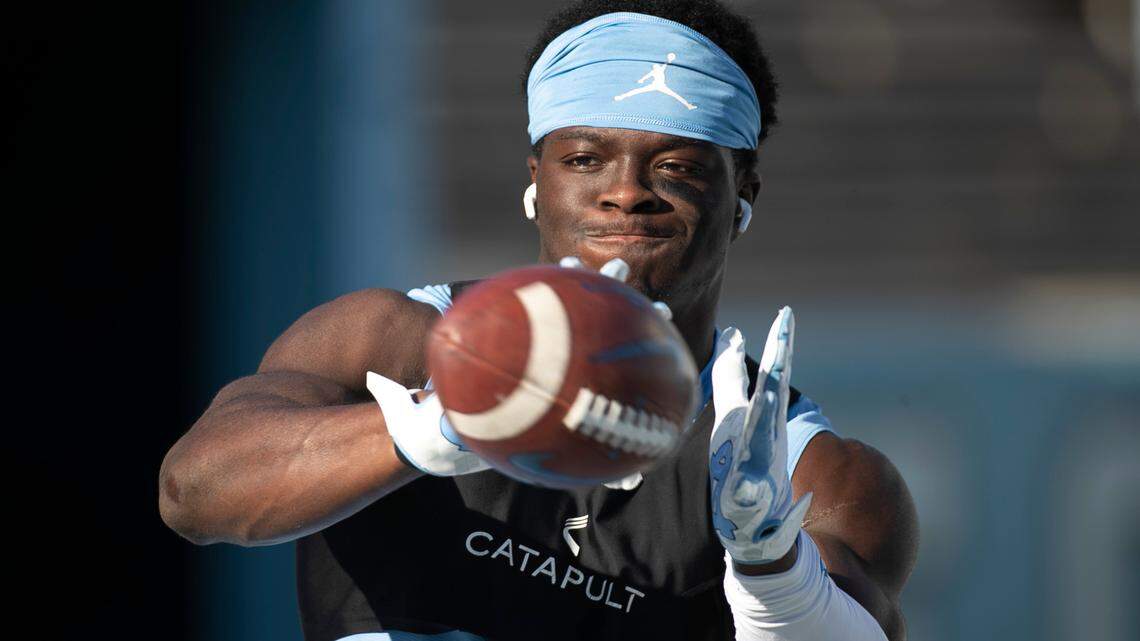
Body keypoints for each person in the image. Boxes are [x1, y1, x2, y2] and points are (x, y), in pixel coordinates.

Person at [159, 1, 918, 640]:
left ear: (743, 192)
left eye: (678, 167)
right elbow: (193, 494)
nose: (627, 193)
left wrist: (775, 573)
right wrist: (436, 424)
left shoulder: (799, 464)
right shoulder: (394, 343)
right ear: (536, 181)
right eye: (586, 158)